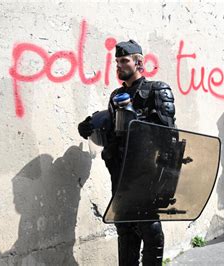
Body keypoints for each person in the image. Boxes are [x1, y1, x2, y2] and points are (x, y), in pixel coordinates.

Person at [77, 40, 175, 265]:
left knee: (150, 230)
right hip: (121, 175)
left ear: (139, 62)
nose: (119, 66)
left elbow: (169, 137)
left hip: (146, 175)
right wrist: (92, 126)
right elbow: (112, 130)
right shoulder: (116, 95)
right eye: (117, 62)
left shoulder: (157, 90)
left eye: (124, 61)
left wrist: (166, 180)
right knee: (126, 231)